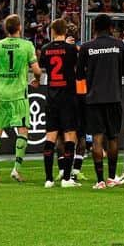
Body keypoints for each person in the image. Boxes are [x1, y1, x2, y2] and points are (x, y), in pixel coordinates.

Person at [78, 13, 124, 189]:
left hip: (93, 98)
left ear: (94, 28)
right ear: (110, 28)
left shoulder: (87, 47)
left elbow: (79, 74)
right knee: (113, 137)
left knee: (97, 138)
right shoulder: (118, 45)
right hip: (114, 97)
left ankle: (99, 180)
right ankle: (111, 177)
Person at [0, 14, 41, 184]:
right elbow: (37, 70)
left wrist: (3, 75)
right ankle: (16, 169)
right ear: (19, 27)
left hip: (1, 94)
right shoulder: (27, 46)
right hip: (18, 94)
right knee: (23, 130)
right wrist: (37, 79)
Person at [38, 19, 80, 188]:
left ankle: (48, 179)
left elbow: (42, 69)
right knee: (70, 136)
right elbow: (78, 66)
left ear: (53, 31)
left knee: (51, 136)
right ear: (65, 32)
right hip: (68, 97)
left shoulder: (45, 49)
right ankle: (66, 179)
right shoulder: (71, 49)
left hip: (52, 97)